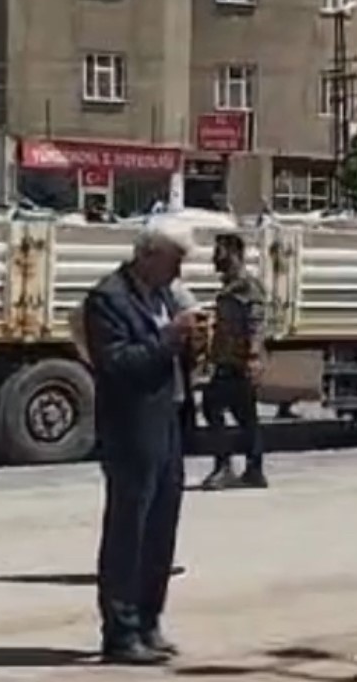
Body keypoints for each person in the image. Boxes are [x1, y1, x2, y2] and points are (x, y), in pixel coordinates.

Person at [82, 219, 201, 665]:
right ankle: (120, 630)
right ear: (149, 255)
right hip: (131, 427)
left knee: (161, 529)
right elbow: (118, 364)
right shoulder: (108, 299)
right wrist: (171, 338)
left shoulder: (164, 295)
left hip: (168, 419)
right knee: (128, 530)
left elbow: (168, 358)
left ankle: (149, 621)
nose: (179, 273)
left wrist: (192, 344)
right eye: (175, 262)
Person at [200, 232, 269, 490]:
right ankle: (253, 469)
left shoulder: (246, 286)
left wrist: (252, 357)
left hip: (239, 362)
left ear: (235, 253)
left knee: (214, 408)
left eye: (219, 252)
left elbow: (256, 324)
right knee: (244, 416)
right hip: (227, 360)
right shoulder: (230, 286)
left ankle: (225, 467)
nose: (214, 258)